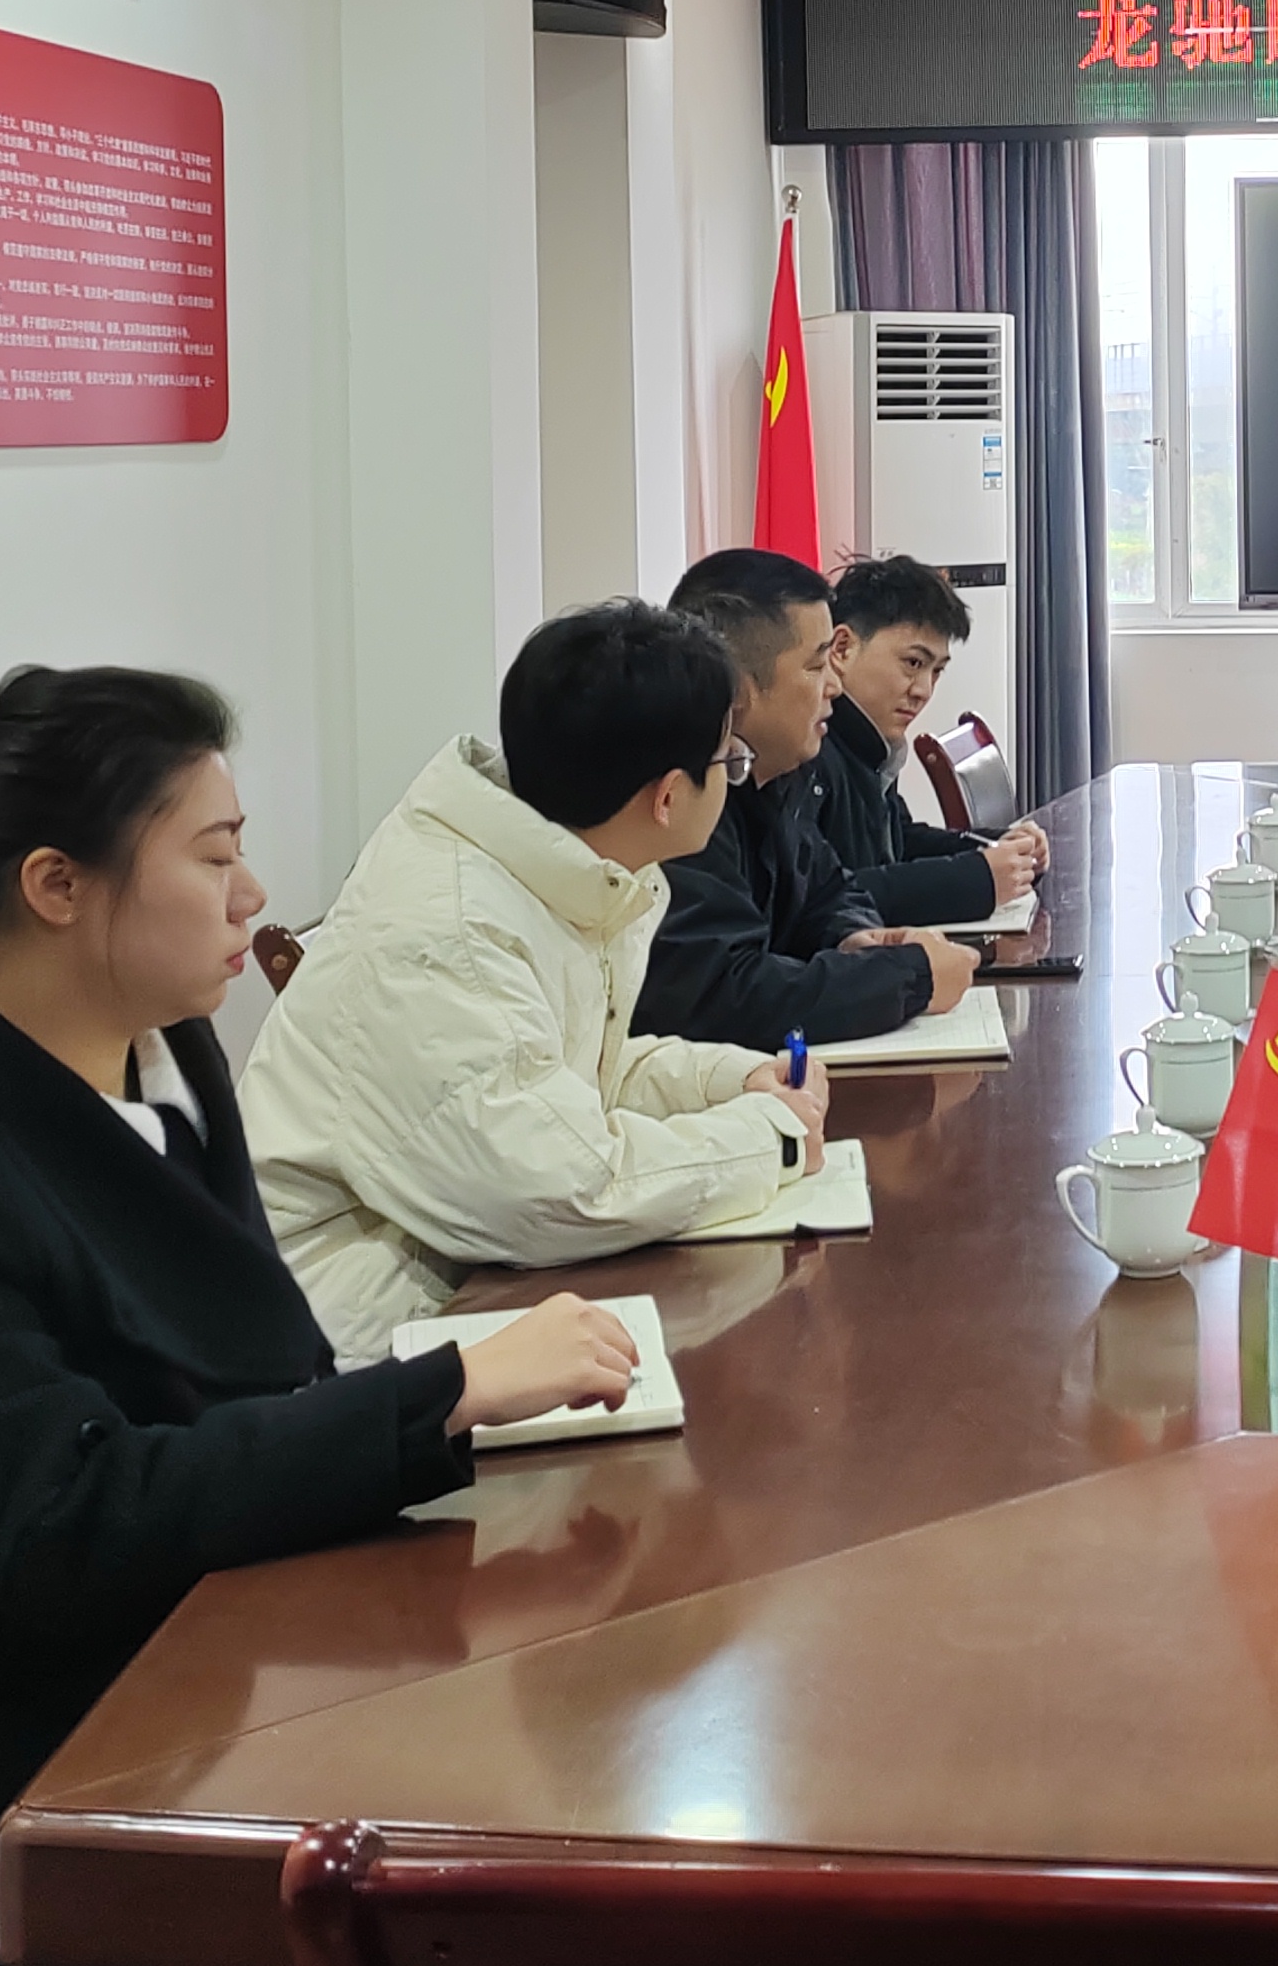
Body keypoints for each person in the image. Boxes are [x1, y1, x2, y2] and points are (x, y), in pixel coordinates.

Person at [0, 670, 645, 1966]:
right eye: (214, 857)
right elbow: (68, 1521)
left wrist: (428, 1408)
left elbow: (248, 1379)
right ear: (58, 886)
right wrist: (440, 1393)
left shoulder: (159, 1049)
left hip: (161, 1670)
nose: (253, 896)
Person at [241, 602, 836, 1361]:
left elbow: (572, 1078)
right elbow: (558, 1191)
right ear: (666, 797)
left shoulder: (558, 865)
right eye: (729, 762)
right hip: (349, 1347)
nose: (735, 779)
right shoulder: (451, 931)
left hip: (463, 1283)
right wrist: (771, 1137)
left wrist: (732, 1080)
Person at [640, 547, 974, 1051]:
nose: (835, 685)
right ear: (737, 685)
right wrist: (908, 976)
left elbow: (830, 890)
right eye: (817, 665)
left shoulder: (778, 774)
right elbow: (723, 997)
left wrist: (855, 937)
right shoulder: (683, 795)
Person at [811, 551, 1047, 930]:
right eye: (913, 663)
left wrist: (998, 847)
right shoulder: (809, 747)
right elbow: (824, 897)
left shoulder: (869, 742)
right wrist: (976, 879)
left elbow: (900, 842)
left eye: (936, 671)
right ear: (842, 649)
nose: (923, 690)